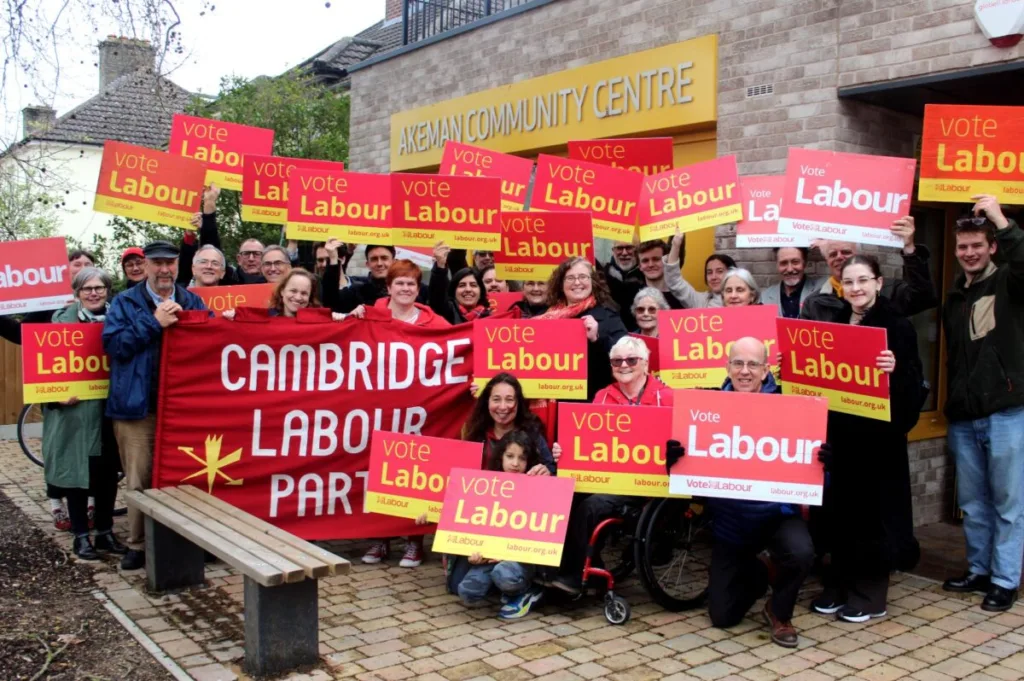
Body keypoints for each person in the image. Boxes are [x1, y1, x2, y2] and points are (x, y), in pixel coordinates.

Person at [666, 336, 821, 647]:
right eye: (738, 363)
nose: (745, 371)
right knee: (722, 617)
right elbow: (686, 479)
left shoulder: (792, 407)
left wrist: (823, 465)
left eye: (753, 364)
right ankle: (762, 569)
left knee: (802, 552)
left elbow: (815, 483)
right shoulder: (707, 407)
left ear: (765, 370)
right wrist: (672, 462)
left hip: (776, 515)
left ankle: (779, 613)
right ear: (727, 367)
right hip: (730, 524)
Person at [805, 255, 923, 623]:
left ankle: (870, 593)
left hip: (878, 443)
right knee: (840, 513)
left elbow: (914, 384)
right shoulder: (836, 322)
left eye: (863, 280)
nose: (856, 288)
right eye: (849, 282)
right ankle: (838, 583)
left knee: (872, 517)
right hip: (842, 437)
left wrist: (896, 369)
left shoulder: (897, 327)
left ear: (878, 283)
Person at [102, 240, 208, 570]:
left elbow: (214, 343)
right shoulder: (124, 302)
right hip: (137, 408)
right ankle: (138, 545)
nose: (164, 270)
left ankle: (183, 541)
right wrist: (154, 321)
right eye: (157, 263)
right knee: (138, 479)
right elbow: (114, 345)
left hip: (181, 411)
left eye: (170, 263)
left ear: (179, 266)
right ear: (145, 266)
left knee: (183, 478)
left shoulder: (193, 301)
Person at [941, 196, 1024, 612]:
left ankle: (1005, 580)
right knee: (973, 503)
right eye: (962, 247)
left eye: (977, 245)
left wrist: (1000, 220)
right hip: (964, 417)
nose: (969, 253)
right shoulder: (956, 297)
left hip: (1007, 412)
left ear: (992, 246)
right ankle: (979, 571)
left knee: (1009, 504)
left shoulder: (1010, 281)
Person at [549, 336, 671, 594]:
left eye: (631, 359)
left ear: (646, 364)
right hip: (607, 477)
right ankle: (558, 565)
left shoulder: (666, 398)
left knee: (593, 506)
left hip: (648, 485)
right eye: (617, 361)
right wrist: (565, 451)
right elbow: (587, 444)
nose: (624, 365)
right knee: (558, 496)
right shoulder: (602, 397)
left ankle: (574, 575)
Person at [358, 260, 449, 568]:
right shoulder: (370, 317)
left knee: (414, 473)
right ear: (389, 287)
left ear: (418, 288)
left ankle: (413, 540)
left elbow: (459, 346)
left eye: (411, 283)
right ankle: (379, 539)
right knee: (379, 472)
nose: (406, 288)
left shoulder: (435, 324)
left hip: (421, 412)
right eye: (400, 283)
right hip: (380, 411)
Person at [43, 267, 127, 560]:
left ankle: (104, 532)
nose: (93, 293)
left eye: (99, 288)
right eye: (87, 288)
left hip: (109, 408)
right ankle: (81, 536)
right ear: (77, 293)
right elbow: (44, 370)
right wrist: (55, 398)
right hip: (75, 412)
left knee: (106, 475)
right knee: (77, 474)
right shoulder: (59, 322)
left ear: (107, 290)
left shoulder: (120, 317)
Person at [434, 430, 546, 619]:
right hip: (490, 557)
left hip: (519, 559)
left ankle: (528, 589)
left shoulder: (537, 486)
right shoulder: (485, 486)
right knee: (467, 591)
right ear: (500, 456)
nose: (515, 463)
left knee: (504, 574)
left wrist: (507, 554)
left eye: (522, 458)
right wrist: (474, 553)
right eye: (510, 456)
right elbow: (473, 524)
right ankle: (499, 585)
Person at [802, 217, 937, 319]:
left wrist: (909, 249)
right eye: (832, 254)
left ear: (859, 254)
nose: (839, 257)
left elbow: (923, 298)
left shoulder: (888, 290)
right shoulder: (814, 303)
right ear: (827, 260)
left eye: (846, 252)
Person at [538, 258, 627, 401]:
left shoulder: (609, 314)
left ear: (592, 281)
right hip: (553, 399)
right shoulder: (545, 316)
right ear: (561, 284)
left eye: (583, 277)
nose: (577, 282)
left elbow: (625, 356)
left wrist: (597, 339)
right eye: (570, 278)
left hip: (590, 401)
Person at [462, 373, 556, 475]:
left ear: (518, 403)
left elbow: (551, 468)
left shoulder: (532, 431)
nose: (503, 407)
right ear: (487, 402)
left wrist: (547, 471)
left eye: (509, 400)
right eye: (496, 399)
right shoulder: (474, 431)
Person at [323, 241, 396, 314]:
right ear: (367, 264)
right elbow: (330, 304)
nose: (379, 263)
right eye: (374, 259)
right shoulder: (358, 291)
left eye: (384, 258)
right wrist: (333, 260)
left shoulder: (404, 289)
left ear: (394, 262)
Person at [663, 232, 732, 308]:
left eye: (720, 271)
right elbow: (674, 281)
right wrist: (675, 245)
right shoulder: (701, 301)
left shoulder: (741, 298)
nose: (714, 277)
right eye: (709, 272)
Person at [429, 242, 492, 324]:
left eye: (473, 285)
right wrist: (440, 265)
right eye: (462, 285)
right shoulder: (447, 314)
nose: (468, 289)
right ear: (454, 291)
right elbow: (437, 296)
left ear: (481, 291)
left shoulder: (492, 317)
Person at [760, 247, 828, 318]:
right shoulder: (765, 297)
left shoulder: (822, 289)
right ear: (777, 265)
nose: (790, 269)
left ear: (804, 263)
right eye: (783, 263)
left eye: (795, 262)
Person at [177, 184, 222, 286]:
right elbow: (184, 269)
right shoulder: (181, 295)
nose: (209, 266)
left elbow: (212, 249)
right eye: (203, 262)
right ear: (193, 269)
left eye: (215, 263)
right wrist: (189, 234)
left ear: (223, 272)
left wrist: (209, 204)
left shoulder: (231, 292)